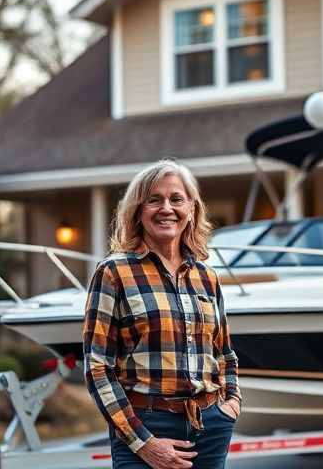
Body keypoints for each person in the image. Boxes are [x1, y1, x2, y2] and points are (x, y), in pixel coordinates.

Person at [83, 159, 241, 469]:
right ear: (138, 211)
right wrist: (143, 443)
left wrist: (231, 404)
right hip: (144, 427)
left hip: (210, 426)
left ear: (191, 209)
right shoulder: (114, 273)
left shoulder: (206, 277)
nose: (166, 208)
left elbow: (224, 354)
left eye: (176, 199)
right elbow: (97, 367)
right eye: (154, 199)